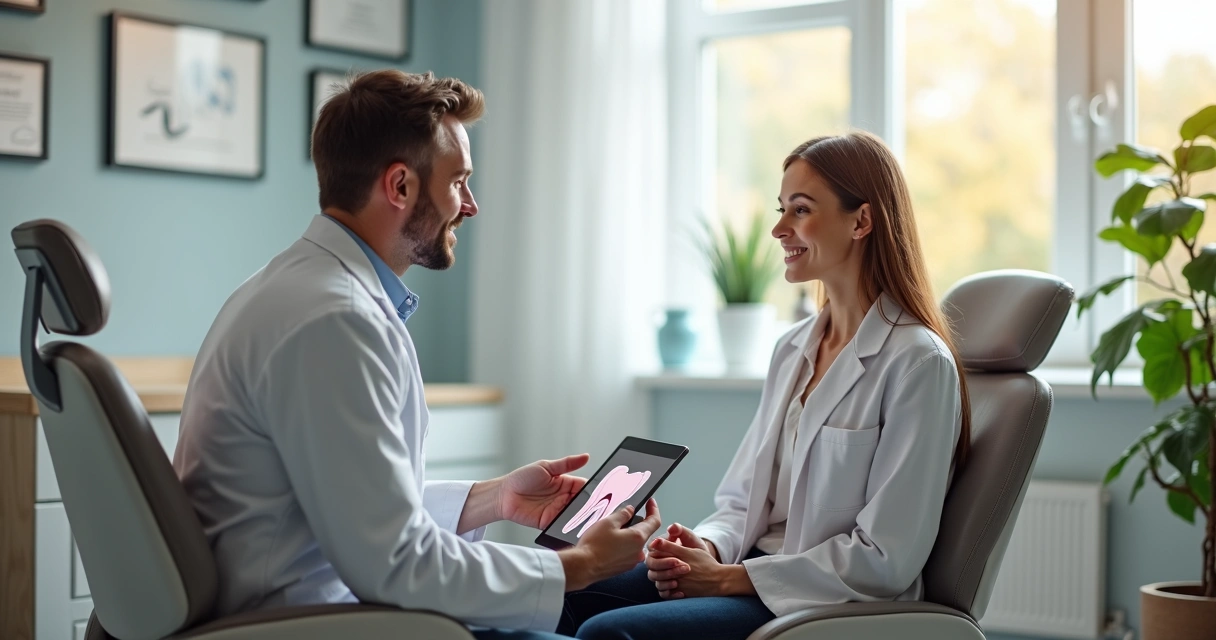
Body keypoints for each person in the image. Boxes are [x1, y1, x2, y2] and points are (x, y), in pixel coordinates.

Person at [172, 70, 661, 640]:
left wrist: (495, 499)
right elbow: (393, 563)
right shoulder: (337, 322)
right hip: (308, 623)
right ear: (400, 187)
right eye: (458, 182)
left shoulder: (295, 289)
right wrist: (575, 566)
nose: (471, 205)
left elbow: (352, 513)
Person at [558, 131, 971, 640]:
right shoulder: (793, 347)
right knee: (562, 590)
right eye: (782, 208)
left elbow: (884, 560)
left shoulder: (917, 363)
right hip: (748, 570)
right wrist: (704, 548)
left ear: (861, 220)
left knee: (609, 634)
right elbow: (740, 500)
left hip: (827, 602)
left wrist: (729, 579)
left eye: (800, 209)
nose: (779, 229)